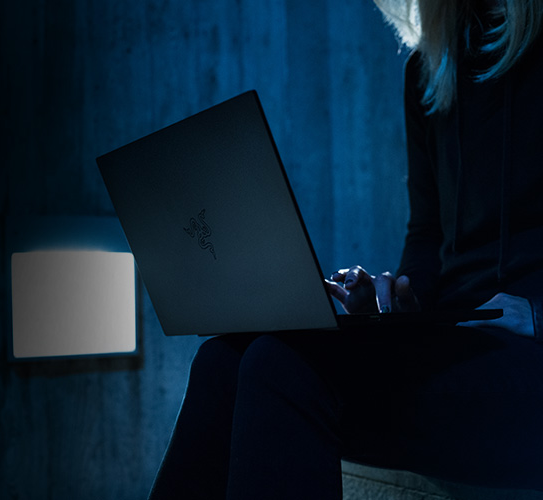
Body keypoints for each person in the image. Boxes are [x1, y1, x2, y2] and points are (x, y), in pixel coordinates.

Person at [147, 0, 543, 498]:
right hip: (460, 339)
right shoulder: (429, 69)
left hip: (531, 358)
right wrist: (396, 301)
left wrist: (537, 314)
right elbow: (427, 235)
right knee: (221, 359)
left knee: (281, 365)